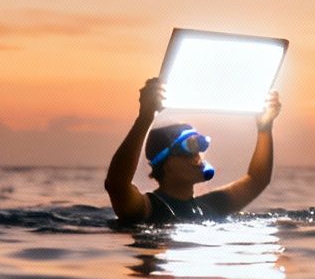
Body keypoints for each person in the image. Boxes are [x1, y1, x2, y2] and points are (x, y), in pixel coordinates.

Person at [105, 77, 281, 224]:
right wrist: (145, 117)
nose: (197, 156)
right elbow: (117, 185)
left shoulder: (211, 206)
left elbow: (257, 180)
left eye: (201, 145)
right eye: (188, 147)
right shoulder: (148, 207)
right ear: (164, 164)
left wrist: (265, 128)